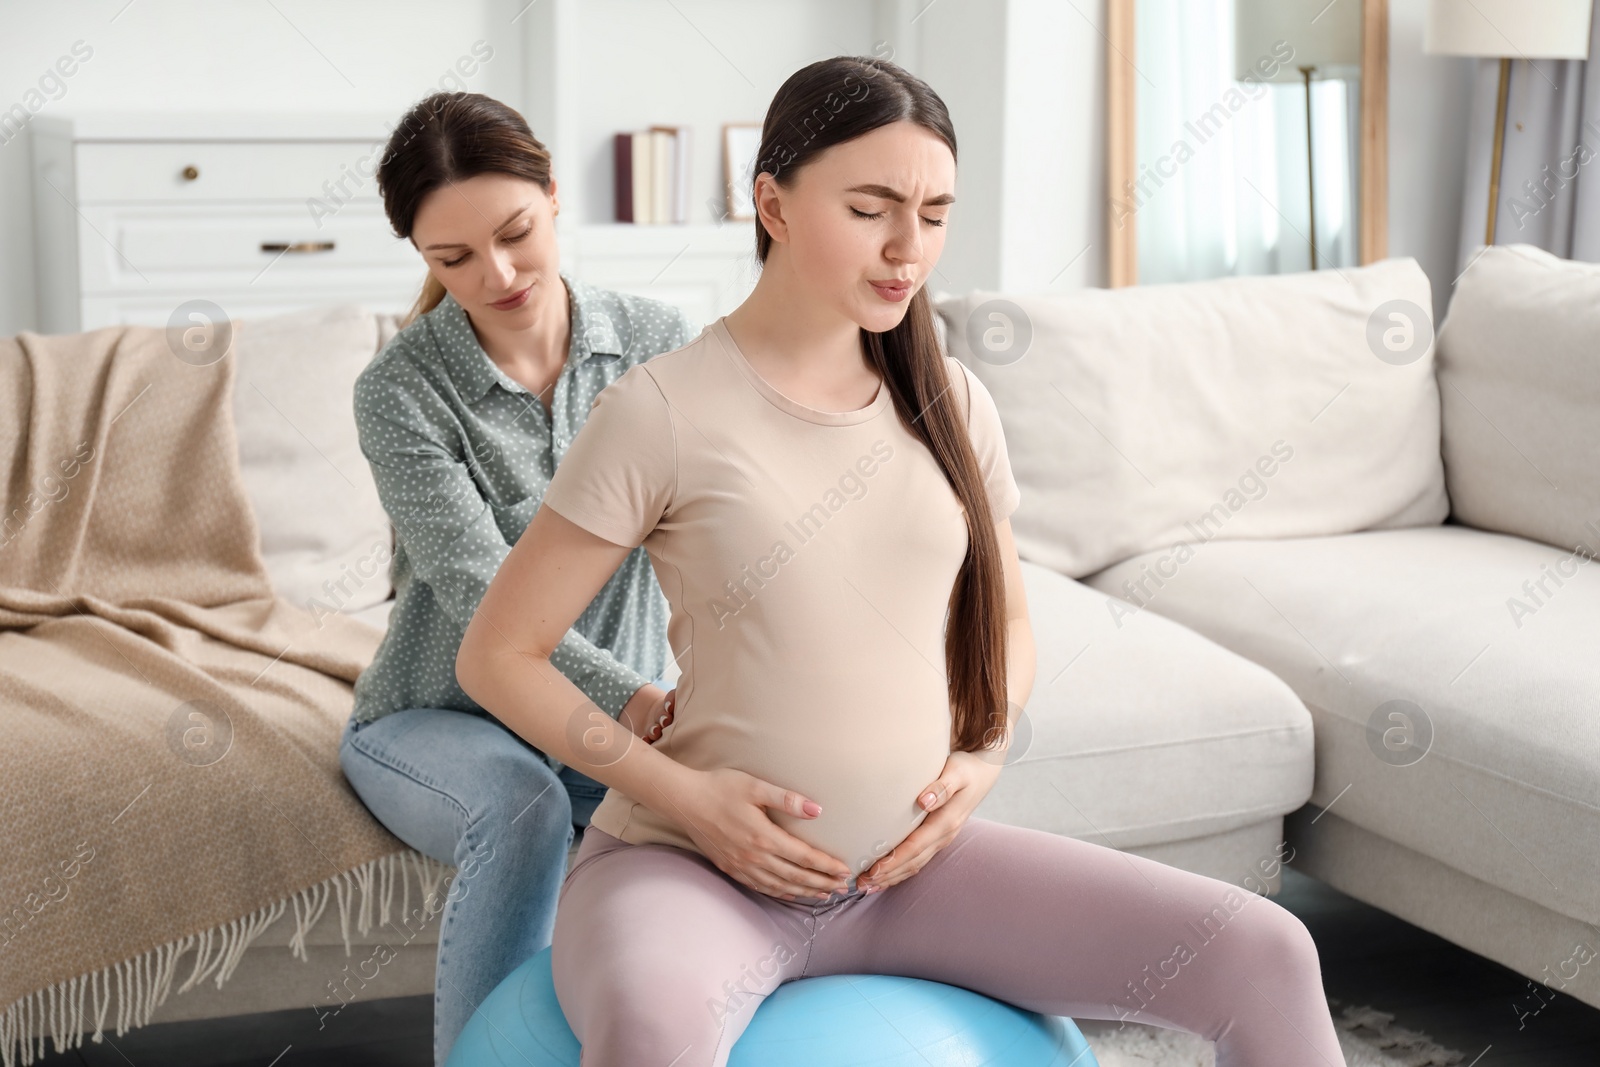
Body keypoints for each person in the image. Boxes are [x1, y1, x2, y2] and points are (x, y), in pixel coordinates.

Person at [455, 56, 1347, 1067]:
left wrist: (983, 754)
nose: (905, 247)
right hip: (689, 874)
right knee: (653, 1038)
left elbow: (1005, 620)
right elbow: (500, 654)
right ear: (773, 203)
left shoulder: (953, 401)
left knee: (1265, 948)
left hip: (909, 874)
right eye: (871, 207)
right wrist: (690, 797)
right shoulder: (660, 410)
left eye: (932, 212)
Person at [336, 91, 684, 1067]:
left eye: (515, 234)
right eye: (451, 260)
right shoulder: (401, 389)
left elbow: (726, 535)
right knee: (523, 805)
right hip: (439, 716)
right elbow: (485, 591)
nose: (494, 275)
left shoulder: (660, 344)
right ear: (420, 257)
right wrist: (636, 704)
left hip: (611, 714)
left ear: (553, 198)